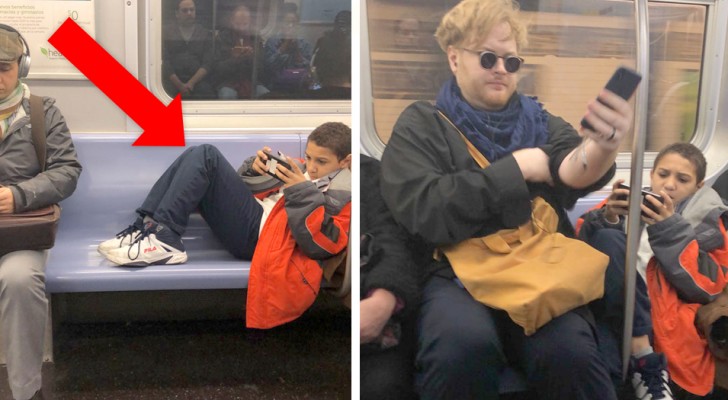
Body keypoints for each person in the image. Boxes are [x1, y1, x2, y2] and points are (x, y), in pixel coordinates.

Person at [378, 0, 634, 398]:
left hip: (536, 264)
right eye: (487, 57)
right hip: (454, 271)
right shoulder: (421, 124)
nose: (501, 69)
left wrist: (603, 146)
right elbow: (424, 209)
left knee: (571, 353)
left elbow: (571, 168)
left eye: (511, 62)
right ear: (454, 58)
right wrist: (515, 170)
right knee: (461, 347)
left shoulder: (539, 120)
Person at [97, 122, 350, 326]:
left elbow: (325, 244)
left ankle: (165, 239)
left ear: (345, 162)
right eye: (309, 157)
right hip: (257, 218)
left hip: (263, 238)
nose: (313, 167)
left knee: (207, 155)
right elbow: (243, 187)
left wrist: (300, 190)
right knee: (197, 153)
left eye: (321, 162)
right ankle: (148, 227)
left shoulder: (346, 196)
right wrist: (255, 168)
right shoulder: (301, 168)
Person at [578, 143, 728, 399]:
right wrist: (610, 217)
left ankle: (640, 361)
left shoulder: (710, 222)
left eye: (682, 179)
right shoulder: (627, 199)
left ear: (698, 186)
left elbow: (708, 287)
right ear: (651, 174)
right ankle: (641, 357)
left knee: (606, 351)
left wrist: (670, 229)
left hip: (662, 309)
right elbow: (580, 255)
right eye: (663, 174)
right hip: (611, 301)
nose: (669, 185)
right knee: (607, 238)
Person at [0, 25, 82, 400]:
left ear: (23, 66)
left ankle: (24, 391)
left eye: (4, 67)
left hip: (20, 232)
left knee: (19, 280)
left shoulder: (41, 111)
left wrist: (19, 195)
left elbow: (66, 172)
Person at [360, 154, 418, 400]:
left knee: (382, 386)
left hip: (375, 293)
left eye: (320, 161)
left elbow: (392, 238)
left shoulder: (369, 173)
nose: (313, 166)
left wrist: (385, 296)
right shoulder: (307, 177)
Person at [162, 0, 215, 99]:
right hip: (171, 82)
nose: (189, 13)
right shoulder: (166, 33)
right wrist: (179, 85)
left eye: (192, 10)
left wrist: (191, 84)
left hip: (198, 82)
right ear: (177, 13)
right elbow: (165, 62)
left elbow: (208, 63)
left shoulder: (205, 34)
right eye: (185, 10)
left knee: (208, 92)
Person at [213, 5, 266, 99]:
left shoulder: (256, 39)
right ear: (232, 22)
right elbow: (217, 70)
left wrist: (251, 58)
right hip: (228, 82)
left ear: (250, 23)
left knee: (265, 95)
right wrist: (234, 59)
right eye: (238, 24)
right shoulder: (222, 38)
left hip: (251, 82)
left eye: (245, 24)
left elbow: (263, 70)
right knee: (227, 95)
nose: (241, 28)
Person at [263, 8, 313, 92]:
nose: (290, 26)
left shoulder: (304, 44)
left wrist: (297, 51)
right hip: (276, 83)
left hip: (298, 83)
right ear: (281, 25)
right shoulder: (272, 41)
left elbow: (307, 69)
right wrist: (284, 46)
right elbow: (268, 67)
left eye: (294, 23)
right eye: (287, 23)